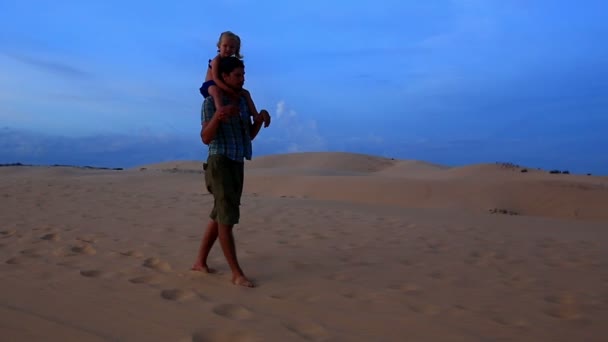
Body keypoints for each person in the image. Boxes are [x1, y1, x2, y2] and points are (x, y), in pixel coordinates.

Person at [192, 56, 271, 288]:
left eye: (243, 75)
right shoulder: (210, 102)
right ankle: (237, 273)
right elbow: (206, 138)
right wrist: (219, 115)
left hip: (237, 162)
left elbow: (249, 135)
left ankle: (199, 262)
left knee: (220, 215)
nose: (242, 79)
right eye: (238, 75)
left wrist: (260, 119)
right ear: (224, 76)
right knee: (226, 219)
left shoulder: (243, 102)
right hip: (220, 163)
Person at [199, 31, 270, 127]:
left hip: (223, 85)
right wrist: (229, 90)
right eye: (225, 46)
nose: (228, 49)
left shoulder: (232, 62)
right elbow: (216, 79)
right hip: (210, 85)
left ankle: (255, 114)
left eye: (232, 47)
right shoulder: (216, 61)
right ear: (219, 46)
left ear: (236, 50)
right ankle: (221, 112)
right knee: (216, 91)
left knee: (246, 93)